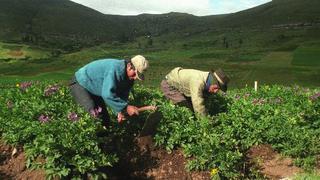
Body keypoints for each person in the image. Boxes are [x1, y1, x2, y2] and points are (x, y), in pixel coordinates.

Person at [69, 55, 149, 125]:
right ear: (129, 66)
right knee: (93, 115)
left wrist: (120, 112)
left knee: (104, 120)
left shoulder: (129, 79)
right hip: (80, 83)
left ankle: (105, 140)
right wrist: (126, 108)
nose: (135, 77)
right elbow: (107, 94)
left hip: (95, 89)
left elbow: (122, 95)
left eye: (137, 76)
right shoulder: (115, 69)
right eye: (135, 74)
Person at [160, 67, 230, 116]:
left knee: (193, 110)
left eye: (218, 89)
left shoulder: (209, 83)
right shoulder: (198, 81)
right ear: (212, 82)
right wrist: (205, 123)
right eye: (216, 88)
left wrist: (207, 113)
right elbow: (198, 103)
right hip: (170, 85)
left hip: (184, 88)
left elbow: (205, 102)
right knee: (185, 110)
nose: (215, 91)